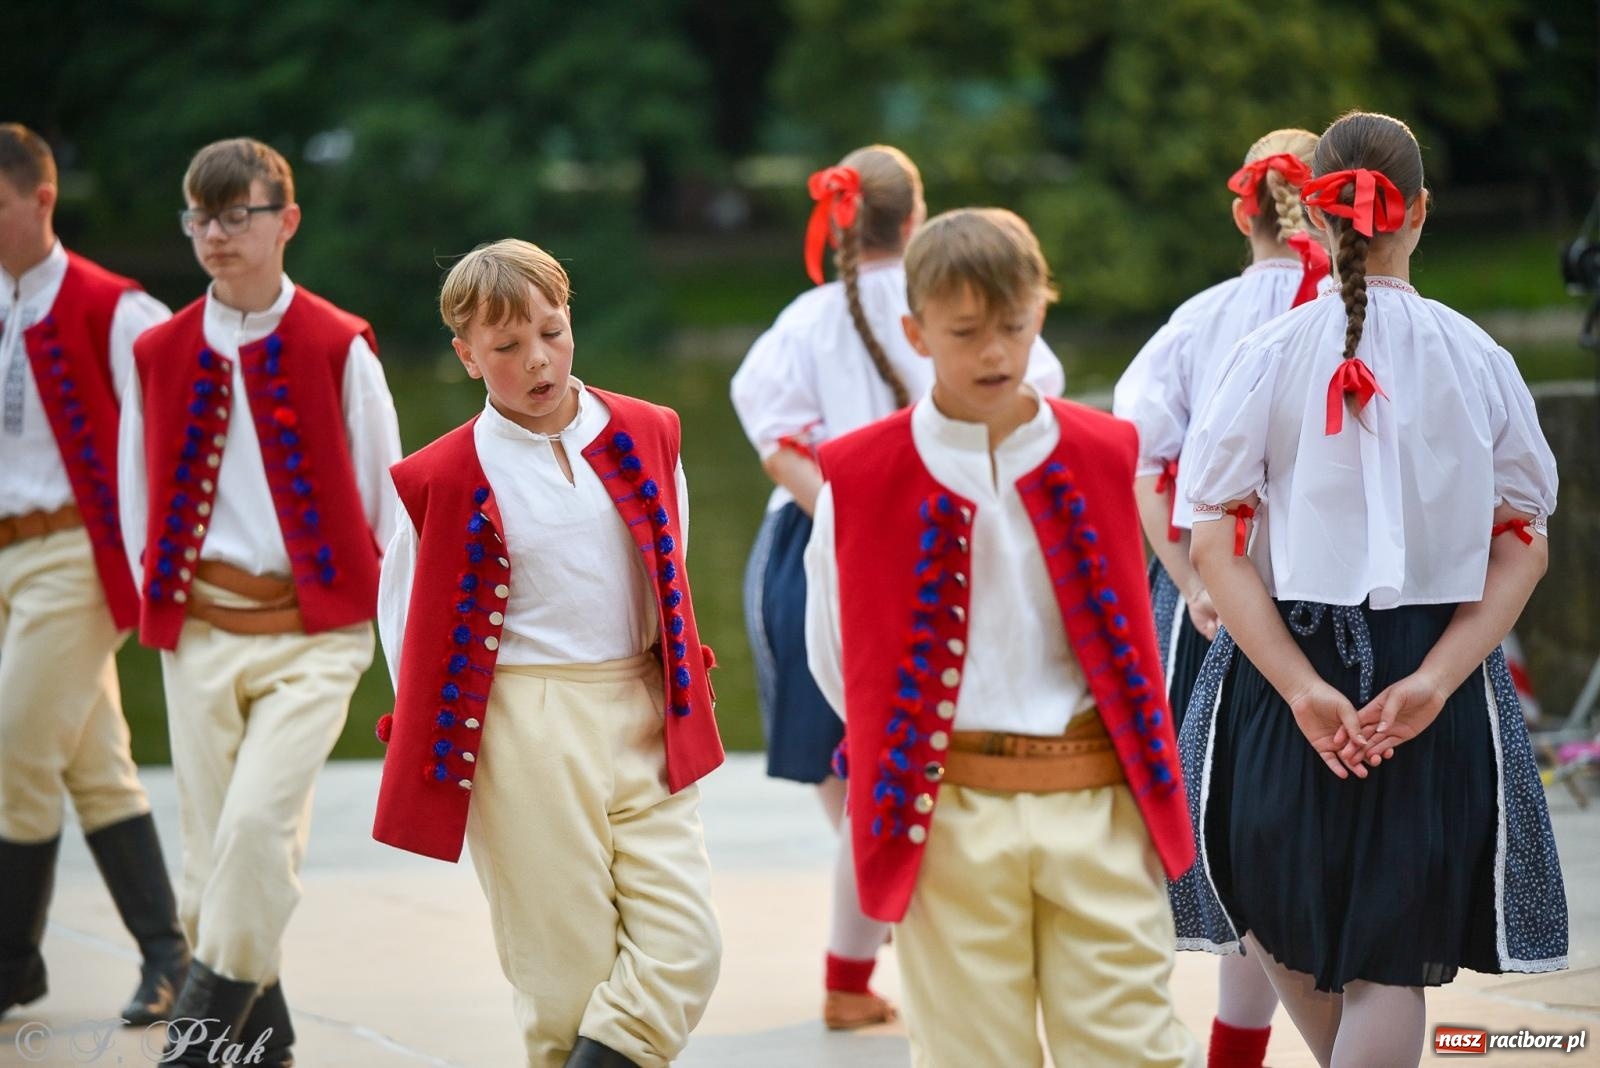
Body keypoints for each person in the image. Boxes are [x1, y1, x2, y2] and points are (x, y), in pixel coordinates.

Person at [1177, 111, 1568, 1068]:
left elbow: (1214, 543)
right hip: (1428, 671)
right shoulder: (1479, 358)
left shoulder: (1267, 352)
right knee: (1387, 960)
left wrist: (1303, 688)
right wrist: (1437, 679)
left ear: (1310, 218)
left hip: (1282, 667)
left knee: (1269, 909)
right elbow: (1524, 544)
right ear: (1422, 213)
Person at [805, 207, 1199, 1067]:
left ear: (1041, 313)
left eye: (1012, 327)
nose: (993, 353)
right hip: (944, 812)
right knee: (971, 1055)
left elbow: (1130, 629)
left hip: (1097, 797)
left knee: (1134, 1047)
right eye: (965, 331)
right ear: (915, 331)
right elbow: (838, 659)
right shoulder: (859, 475)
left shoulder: (1102, 451)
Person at [729, 146, 1064, 1028]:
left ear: (838, 220)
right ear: (914, 219)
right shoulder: (961, 312)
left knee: (860, 779)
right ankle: (898, 939)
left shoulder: (802, 319)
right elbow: (1039, 404)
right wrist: (884, 514)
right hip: (942, 537)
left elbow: (774, 440)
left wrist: (846, 510)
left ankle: (856, 962)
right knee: (924, 767)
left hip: (812, 542)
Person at [372, 239, 723, 1068]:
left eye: (552, 333)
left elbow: (669, 566)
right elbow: (406, 630)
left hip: (642, 705)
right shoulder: (444, 478)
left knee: (686, 946)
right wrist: (466, 750)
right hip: (523, 726)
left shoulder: (647, 431)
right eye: (506, 347)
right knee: (561, 981)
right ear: (466, 356)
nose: (538, 361)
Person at [118, 137, 403, 1066]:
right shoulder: (158, 350)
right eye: (199, 216)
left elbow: (386, 514)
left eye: (235, 215)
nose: (213, 235)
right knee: (211, 864)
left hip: (314, 639)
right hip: (199, 634)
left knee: (251, 830)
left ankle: (198, 1040)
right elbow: (134, 499)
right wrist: (161, 615)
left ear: (285, 220)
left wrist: (398, 652)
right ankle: (267, 1039)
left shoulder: (337, 345)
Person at [1111, 127, 1326, 1068]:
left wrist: (1198, 583)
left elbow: (1147, 468)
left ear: (1244, 210)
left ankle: (1238, 1048)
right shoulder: (1377, 317)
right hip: (1348, 612)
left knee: (1234, 832)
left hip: (1213, 598)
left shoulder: (1199, 322)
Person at [0, 122, 187, 1026]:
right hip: (3, 559)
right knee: (94, 764)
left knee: (14, 749)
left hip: (77, 555)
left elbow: (184, 432)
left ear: (41, 200)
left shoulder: (118, 309)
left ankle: (9, 964)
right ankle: (168, 957)